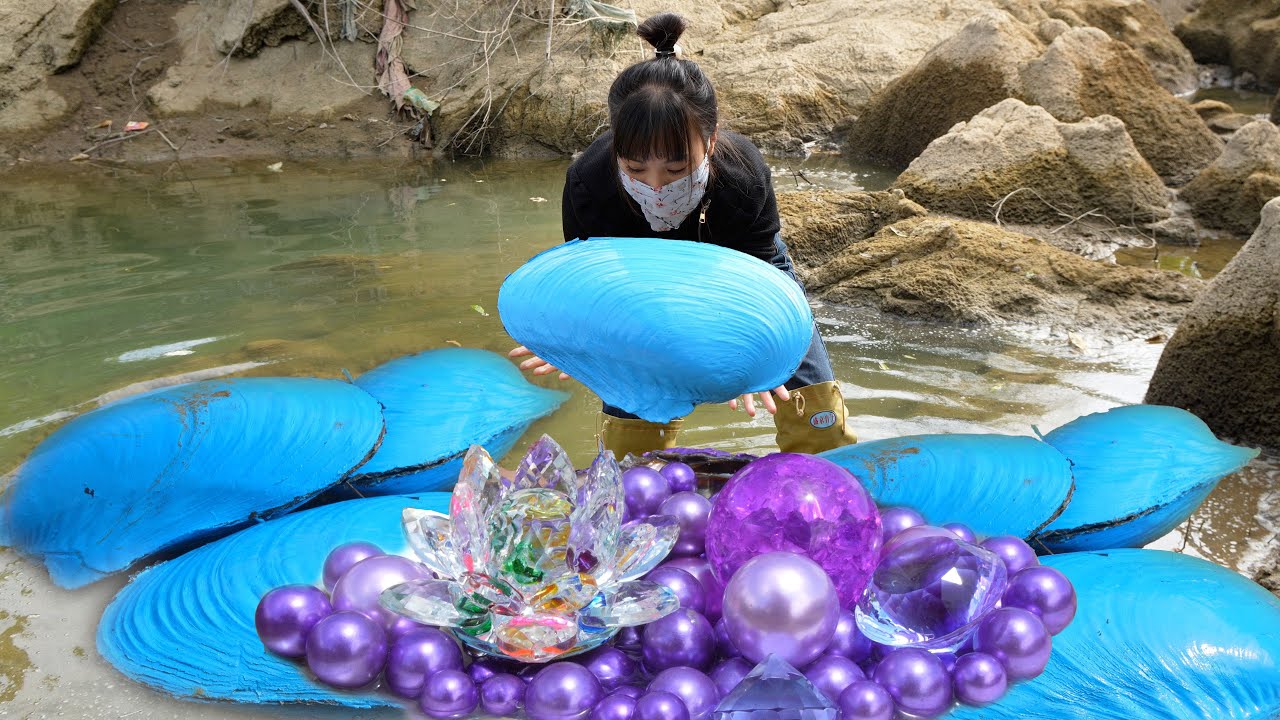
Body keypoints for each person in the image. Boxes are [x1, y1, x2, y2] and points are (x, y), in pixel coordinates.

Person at [510, 11, 857, 458]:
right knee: (633, 440)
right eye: (636, 168)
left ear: (709, 143)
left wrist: (757, 353)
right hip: (636, 286)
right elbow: (596, 283)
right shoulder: (589, 183)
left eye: (676, 168)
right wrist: (571, 339)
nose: (655, 185)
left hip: (745, 273)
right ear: (616, 148)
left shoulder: (742, 174)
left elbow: (761, 268)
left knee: (816, 417)